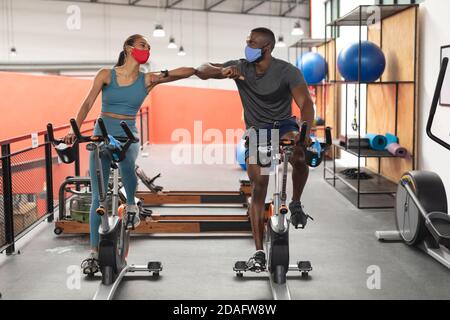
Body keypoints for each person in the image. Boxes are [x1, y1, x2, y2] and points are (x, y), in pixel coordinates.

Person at [63, 34, 198, 274]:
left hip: (128, 134)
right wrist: (73, 131)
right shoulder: (106, 74)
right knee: (98, 197)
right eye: (143, 45)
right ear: (128, 48)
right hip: (101, 132)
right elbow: (86, 104)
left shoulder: (147, 80)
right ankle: (93, 253)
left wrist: (198, 69)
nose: (147, 50)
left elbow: (177, 73)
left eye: (149, 47)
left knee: (127, 163)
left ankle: (132, 204)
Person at [196, 27, 315, 271]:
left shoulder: (287, 71)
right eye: (247, 41)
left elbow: (305, 103)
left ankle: (295, 202)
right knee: (259, 186)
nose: (247, 45)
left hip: (284, 126)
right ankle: (259, 251)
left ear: (267, 48)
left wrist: (306, 132)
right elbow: (202, 70)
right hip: (258, 131)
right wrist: (221, 71)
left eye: (252, 42)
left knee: (300, 154)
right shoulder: (241, 67)